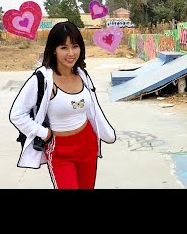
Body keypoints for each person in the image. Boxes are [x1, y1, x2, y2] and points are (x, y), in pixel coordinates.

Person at [9, 21, 116, 189]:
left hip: (87, 145)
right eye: (64, 47)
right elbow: (16, 114)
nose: (71, 53)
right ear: (54, 49)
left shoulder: (82, 75)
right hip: (60, 150)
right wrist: (43, 132)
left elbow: (92, 109)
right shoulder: (42, 79)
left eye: (75, 46)